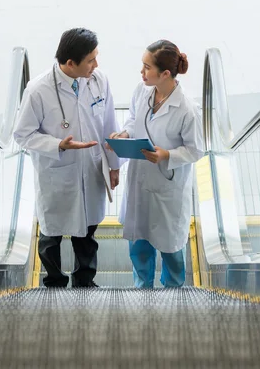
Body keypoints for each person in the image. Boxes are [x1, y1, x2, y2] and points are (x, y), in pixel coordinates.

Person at [13, 28, 121, 288]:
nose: (96, 64)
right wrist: (57, 144)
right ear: (70, 63)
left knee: (88, 233)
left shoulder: (99, 80)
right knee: (52, 234)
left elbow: (109, 125)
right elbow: (22, 134)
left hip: (93, 167)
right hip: (57, 172)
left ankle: (85, 281)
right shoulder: (38, 90)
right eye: (90, 60)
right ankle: (54, 282)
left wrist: (114, 166)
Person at [110, 40, 204, 288]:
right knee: (139, 244)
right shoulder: (142, 91)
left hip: (167, 185)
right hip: (140, 180)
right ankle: (143, 291)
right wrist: (126, 134)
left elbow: (196, 150)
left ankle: (173, 293)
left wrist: (167, 156)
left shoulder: (187, 109)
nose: (141, 72)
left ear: (165, 74)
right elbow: (133, 119)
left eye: (146, 67)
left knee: (170, 247)